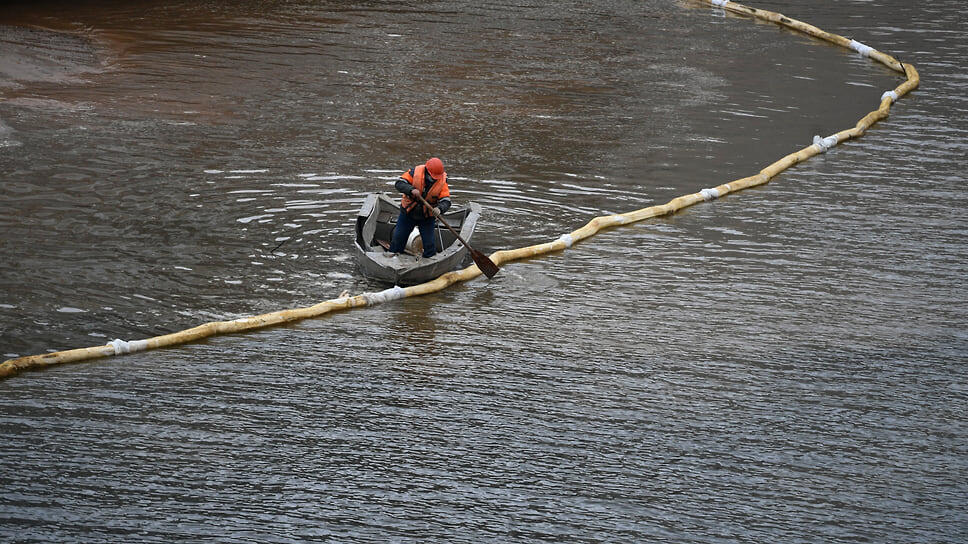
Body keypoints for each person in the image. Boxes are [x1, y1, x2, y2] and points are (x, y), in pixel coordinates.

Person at [388, 157, 452, 258]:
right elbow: (399, 183)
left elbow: (446, 200)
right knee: (398, 238)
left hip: (427, 217)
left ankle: (430, 262)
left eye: (436, 177)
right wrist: (411, 189)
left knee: (429, 244)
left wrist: (440, 208)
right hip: (408, 213)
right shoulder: (414, 173)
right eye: (433, 177)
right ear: (427, 171)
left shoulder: (442, 181)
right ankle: (392, 257)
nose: (435, 179)